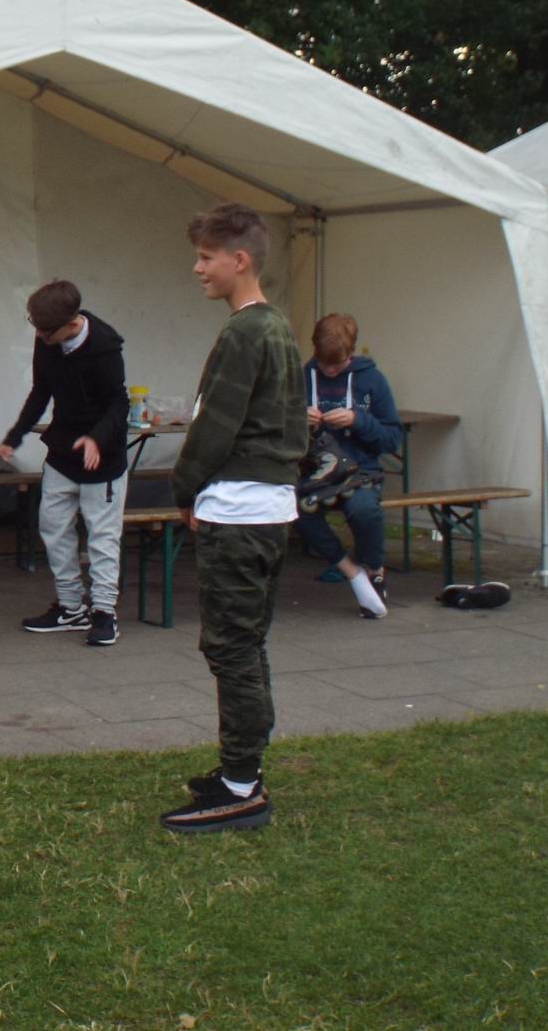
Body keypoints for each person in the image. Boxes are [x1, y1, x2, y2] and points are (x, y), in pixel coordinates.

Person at [160, 204, 306, 834]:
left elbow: (215, 426)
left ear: (239, 260)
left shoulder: (246, 333)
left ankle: (242, 788)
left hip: (239, 510)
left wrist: (183, 488)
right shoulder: (277, 327)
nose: (198, 269)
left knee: (231, 647)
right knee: (245, 644)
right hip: (268, 507)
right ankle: (242, 771)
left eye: (206, 257)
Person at [0, 279, 130, 647]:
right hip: (62, 452)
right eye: (36, 328)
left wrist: (97, 437)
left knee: (102, 537)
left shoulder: (105, 347)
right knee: (53, 529)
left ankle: (104, 613)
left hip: (103, 459)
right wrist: (12, 439)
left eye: (47, 332)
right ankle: (70, 607)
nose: (40, 337)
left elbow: (118, 402)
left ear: (72, 323)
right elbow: (40, 392)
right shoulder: (47, 339)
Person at [299, 313, 402, 620]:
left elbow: (392, 438)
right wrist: (298, 419)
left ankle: (374, 571)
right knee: (293, 508)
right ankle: (351, 571)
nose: (330, 371)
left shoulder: (372, 380)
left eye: (338, 365)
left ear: (352, 353)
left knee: (364, 509)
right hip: (315, 472)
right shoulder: (303, 377)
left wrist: (358, 420)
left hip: (360, 471)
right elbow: (278, 427)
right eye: (324, 364)